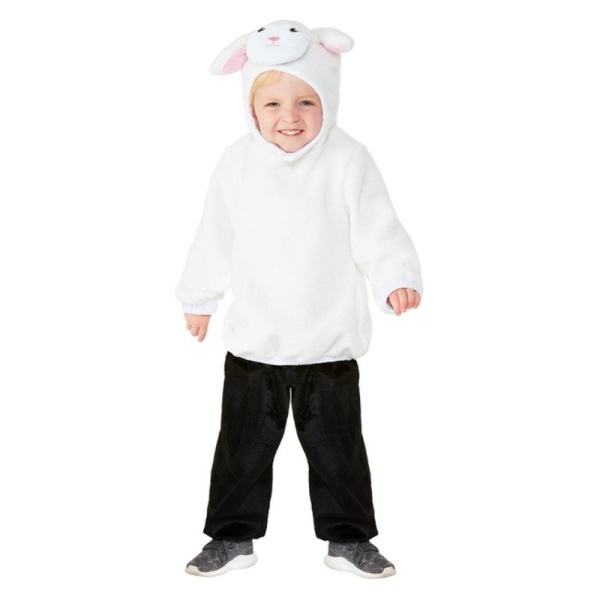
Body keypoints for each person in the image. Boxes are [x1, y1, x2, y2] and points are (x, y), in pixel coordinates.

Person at [176, 20, 422, 579]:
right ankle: (231, 536)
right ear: (251, 107)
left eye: (306, 101)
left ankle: (349, 539)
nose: (290, 116)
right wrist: (199, 296)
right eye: (273, 103)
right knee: (241, 447)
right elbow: (214, 234)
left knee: (338, 449)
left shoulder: (348, 159)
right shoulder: (237, 164)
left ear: (328, 99)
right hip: (256, 339)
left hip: (328, 340)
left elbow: (378, 228)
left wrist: (394, 277)